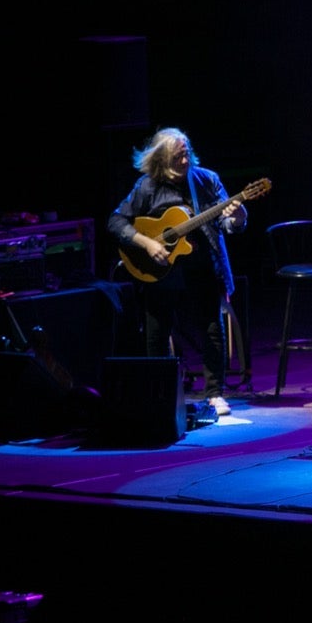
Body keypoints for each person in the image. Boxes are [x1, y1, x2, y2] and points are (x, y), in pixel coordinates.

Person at [107, 128, 247, 417]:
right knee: (156, 332)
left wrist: (237, 217)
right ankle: (159, 392)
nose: (185, 161)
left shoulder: (207, 180)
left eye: (186, 154)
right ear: (161, 160)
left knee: (211, 329)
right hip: (160, 271)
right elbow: (116, 221)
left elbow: (228, 225)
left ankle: (215, 394)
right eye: (177, 157)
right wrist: (146, 243)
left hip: (202, 265)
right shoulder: (146, 187)